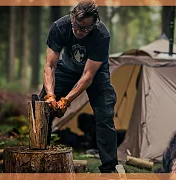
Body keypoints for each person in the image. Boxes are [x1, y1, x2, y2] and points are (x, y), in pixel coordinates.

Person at [38, 0, 118, 173]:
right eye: (76, 26)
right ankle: (40, 157)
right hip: (66, 68)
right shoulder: (59, 27)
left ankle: (109, 168)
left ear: (94, 24)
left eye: (85, 29)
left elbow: (88, 76)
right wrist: (51, 96)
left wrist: (66, 101)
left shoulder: (101, 34)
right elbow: (50, 66)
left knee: (105, 115)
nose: (79, 31)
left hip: (96, 74)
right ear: (72, 17)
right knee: (42, 107)